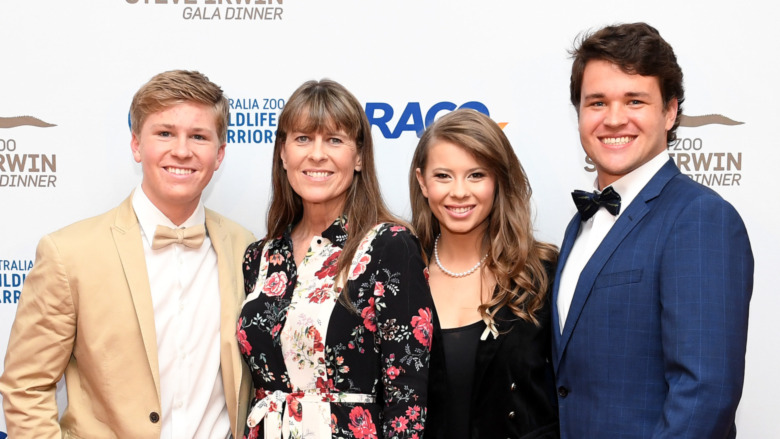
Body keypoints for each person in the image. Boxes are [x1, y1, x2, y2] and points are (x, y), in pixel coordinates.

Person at [0, 70, 255, 438]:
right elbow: (26, 387)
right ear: (136, 145)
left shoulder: (245, 247)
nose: (181, 150)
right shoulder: (69, 253)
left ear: (219, 154)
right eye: (164, 133)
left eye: (198, 136)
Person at [553, 22, 754, 438]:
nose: (613, 119)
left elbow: (704, 397)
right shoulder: (578, 225)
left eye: (634, 101)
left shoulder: (699, 219)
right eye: (597, 103)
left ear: (669, 111)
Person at [238, 79, 434, 439]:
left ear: (359, 156)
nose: (317, 154)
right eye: (302, 138)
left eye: (334, 139)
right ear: (283, 153)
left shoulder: (390, 246)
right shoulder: (260, 256)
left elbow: (407, 398)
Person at [411, 109, 559, 438]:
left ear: (498, 180)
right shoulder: (398, 277)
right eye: (443, 176)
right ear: (422, 182)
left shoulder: (541, 275)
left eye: (476, 175)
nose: (460, 191)